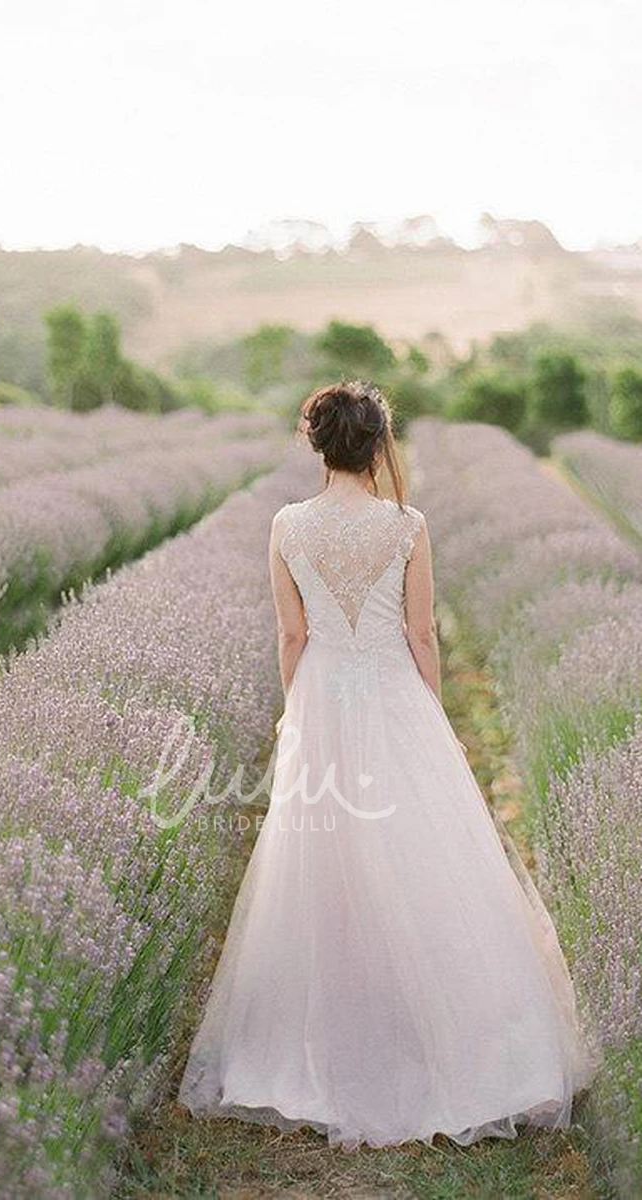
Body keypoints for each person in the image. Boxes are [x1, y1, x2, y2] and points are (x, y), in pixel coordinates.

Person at [177, 379, 594, 1150]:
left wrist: (293, 712)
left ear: (315, 444)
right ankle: (445, 1036)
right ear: (377, 445)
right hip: (395, 698)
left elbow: (290, 634)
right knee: (424, 855)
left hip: (324, 697)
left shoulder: (287, 524)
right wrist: (431, 717)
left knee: (320, 861)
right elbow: (422, 632)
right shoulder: (406, 524)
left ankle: (329, 1041)